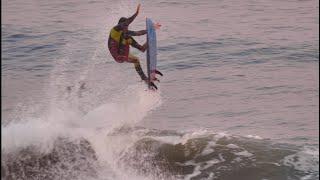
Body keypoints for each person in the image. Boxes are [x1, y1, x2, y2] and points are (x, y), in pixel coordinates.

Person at [108, 4, 161, 89]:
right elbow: (126, 23)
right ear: (120, 25)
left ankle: (144, 79)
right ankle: (144, 78)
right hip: (117, 54)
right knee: (127, 37)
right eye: (125, 26)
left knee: (136, 59)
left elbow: (138, 33)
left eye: (127, 26)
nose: (126, 28)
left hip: (122, 56)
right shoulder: (115, 30)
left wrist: (150, 35)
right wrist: (136, 14)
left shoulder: (126, 34)